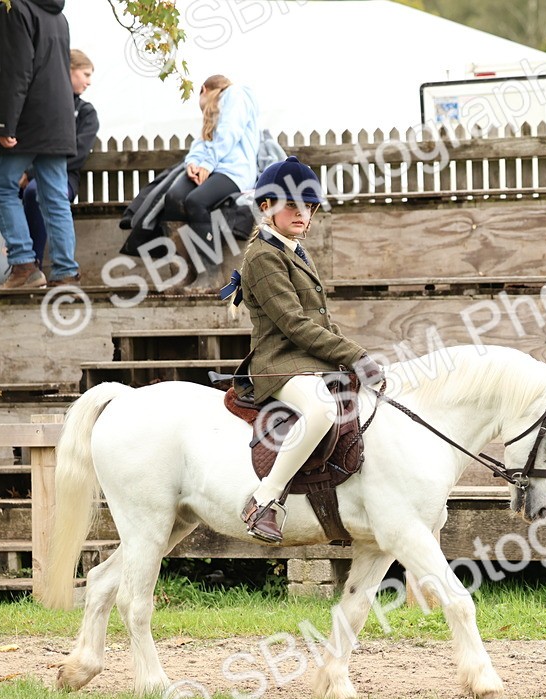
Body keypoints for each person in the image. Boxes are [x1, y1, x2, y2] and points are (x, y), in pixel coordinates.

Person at [235, 157, 381, 543]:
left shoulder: (296, 250)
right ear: (266, 207)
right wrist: (353, 355)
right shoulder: (263, 256)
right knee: (320, 410)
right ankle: (264, 501)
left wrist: (350, 356)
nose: (302, 212)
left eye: (309, 205)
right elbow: (295, 325)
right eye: (292, 204)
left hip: (309, 358)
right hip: (280, 362)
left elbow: (321, 320)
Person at [0, 49, 98, 289]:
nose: (89, 81)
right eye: (86, 74)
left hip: (55, 174)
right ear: (68, 71)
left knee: (35, 192)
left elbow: (76, 154)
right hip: (14, 173)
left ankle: (32, 266)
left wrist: (28, 173)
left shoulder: (85, 112)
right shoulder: (32, 102)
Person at [0, 0, 79, 290]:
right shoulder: (57, 15)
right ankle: (66, 273)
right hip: (57, 118)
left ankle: (24, 265)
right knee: (55, 197)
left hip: (26, 117)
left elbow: (16, 69)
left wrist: (5, 122)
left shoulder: (14, 8)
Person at [160, 74, 260, 289]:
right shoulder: (212, 115)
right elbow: (201, 143)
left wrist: (207, 163)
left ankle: (210, 273)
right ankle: (185, 272)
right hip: (213, 169)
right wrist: (193, 163)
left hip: (235, 171)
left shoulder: (235, 93)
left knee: (197, 201)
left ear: (204, 90)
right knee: (174, 198)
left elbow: (229, 132)